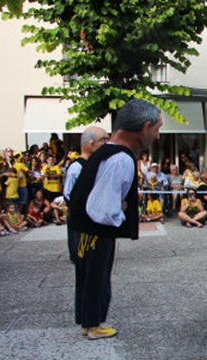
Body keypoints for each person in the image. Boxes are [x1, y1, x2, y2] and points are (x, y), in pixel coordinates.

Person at [68, 99, 162, 340]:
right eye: (157, 129)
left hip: (85, 230)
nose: (157, 136)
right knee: (97, 278)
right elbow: (102, 208)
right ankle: (93, 325)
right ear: (145, 127)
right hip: (98, 231)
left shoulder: (104, 152)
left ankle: (88, 322)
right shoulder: (121, 158)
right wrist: (121, 210)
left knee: (88, 277)